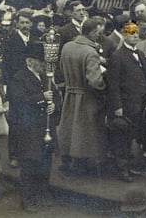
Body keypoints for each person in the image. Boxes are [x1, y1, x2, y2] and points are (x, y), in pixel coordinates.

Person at [9, 43, 60, 212]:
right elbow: (18, 102)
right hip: (29, 129)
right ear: (30, 61)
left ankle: (42, 193)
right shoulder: (19, 78)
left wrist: (54, 106)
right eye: (40, 62)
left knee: (45, 163)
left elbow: (57, 96)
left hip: (45, 128)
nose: (44, 65)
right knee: (30, 165)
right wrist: (41, 97)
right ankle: (28, 198)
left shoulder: (46, 77)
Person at [58, 18, 107, 176]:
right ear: (92, 33)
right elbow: (94, 80)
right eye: (98, 33)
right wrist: (104, 87)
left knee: (68, 128)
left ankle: (66, 161)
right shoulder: (90, 52)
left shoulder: (67, 46)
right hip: (85, 96)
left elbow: (61, 66)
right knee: (83, 131)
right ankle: (81, 166)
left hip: (69, 93)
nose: (99, 36)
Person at [107, 22, 146, 183]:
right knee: (122, 138)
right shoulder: (118, 57)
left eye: (137, 33)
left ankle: (129, 166)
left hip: (139, 103)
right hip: (125, 105)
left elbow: (145, 78)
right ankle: (122, 169)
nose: (135, 36)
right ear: (124, 35)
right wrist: (117, 106)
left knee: (132, 136)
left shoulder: (140, 54)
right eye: (132, 33)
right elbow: (113, 84)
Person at [1, 8, 34, 169]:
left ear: (31, 24)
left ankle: (28, 154)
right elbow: (6, 67)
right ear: (16, 24)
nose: (25, 25)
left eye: (27, 22)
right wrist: (7, 90)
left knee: (30, 121)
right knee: (16, 122)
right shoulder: (10, 42)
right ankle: (14, 155)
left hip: (32, 87)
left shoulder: (34, 40)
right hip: (16, 86)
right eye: (22, 22)